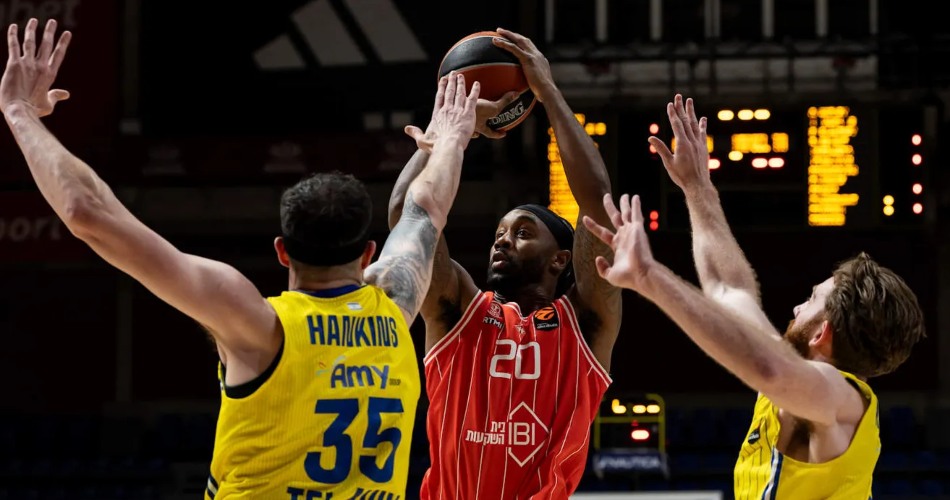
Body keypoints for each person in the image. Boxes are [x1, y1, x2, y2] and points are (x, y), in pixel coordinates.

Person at [1, 18, 484, 499]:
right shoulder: (395, 306)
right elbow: (426, 209)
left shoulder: (257, 324)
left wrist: (20, 111)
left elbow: (88, 212)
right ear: (368, 254)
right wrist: (451, 139)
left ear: (281, 251)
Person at [582, 95, 926, 499]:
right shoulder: (795, 378)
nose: (797, 307)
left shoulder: (841, 398)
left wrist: (650, 277)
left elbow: (768, 369)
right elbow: (729, 289)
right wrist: (697, 188)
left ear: (823, 333)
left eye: (811, 300)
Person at [391, 28, 622, 499]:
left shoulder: (586, 324)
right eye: (499, 233)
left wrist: (548, 92)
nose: (503, 241)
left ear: (561, 259)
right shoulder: (459, 308)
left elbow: (598, 207)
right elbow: (405, 219)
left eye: (522, 233)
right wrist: (445, 134)